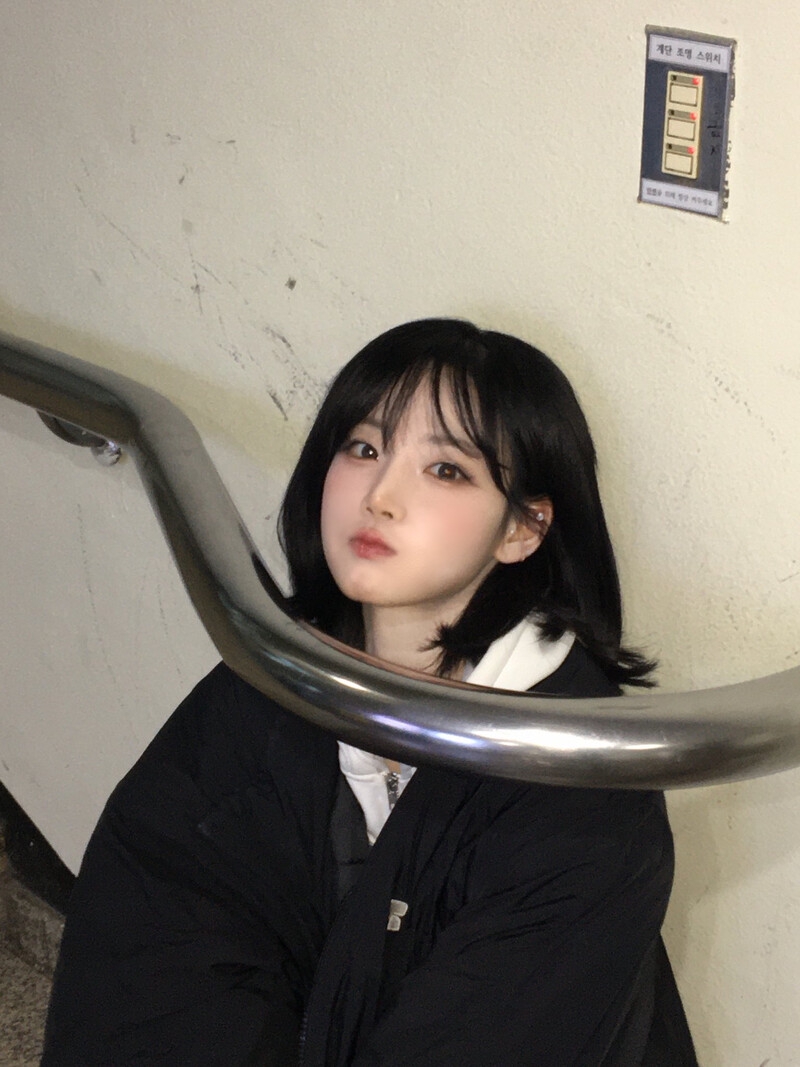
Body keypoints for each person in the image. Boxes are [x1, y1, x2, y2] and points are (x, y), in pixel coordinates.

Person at [42, 319, 697, 1065]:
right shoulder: (270, 685)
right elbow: (153, 954)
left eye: (445, 469)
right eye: (364, 448)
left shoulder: (586, 791)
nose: (381, 495)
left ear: (522, 528)